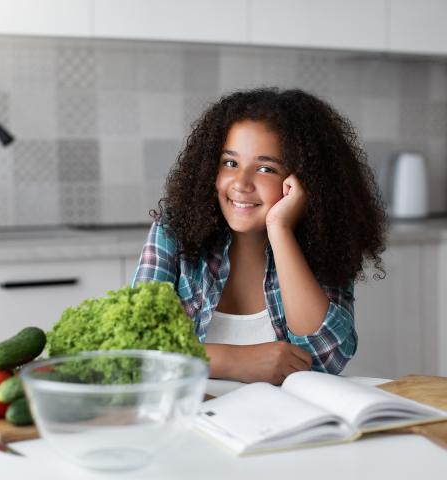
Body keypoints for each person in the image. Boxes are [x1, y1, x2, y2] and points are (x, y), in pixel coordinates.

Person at [132, 88, 386, 385]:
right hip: (195, 417)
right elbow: (137, 348)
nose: (241, 183)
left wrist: (280, 229)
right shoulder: (173, 231)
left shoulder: (324, 238)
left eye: (266, 168)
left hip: (285, 424)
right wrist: (233, 361)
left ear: (303, 180)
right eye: (230, 163)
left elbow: (326, 357)